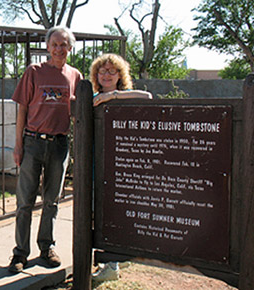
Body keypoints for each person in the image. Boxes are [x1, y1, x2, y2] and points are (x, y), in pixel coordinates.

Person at [8, 26, 82, 273]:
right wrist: (18, 146)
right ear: (48, 47)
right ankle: (20, 254)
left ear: (70, 48)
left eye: (64, 45)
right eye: (55, 44)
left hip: (59, 145)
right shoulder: (34, 72)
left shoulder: (75, 76)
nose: (59, 49)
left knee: (52, 200)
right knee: (25, 202)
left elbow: (78, 114)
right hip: (33, 142)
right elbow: (21, 110)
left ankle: (46, 247)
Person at [90, 53, 152, 282]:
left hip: (121, 165)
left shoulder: (125, 96)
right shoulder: (93, 97)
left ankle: (112, 264)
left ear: (120, 75)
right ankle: (112, 261)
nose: (106, 75)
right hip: (97, 163)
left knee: (117, 213)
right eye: (102, 71)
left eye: (111, 71)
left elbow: (147, 96)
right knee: (101, 213)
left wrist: (114, 96)